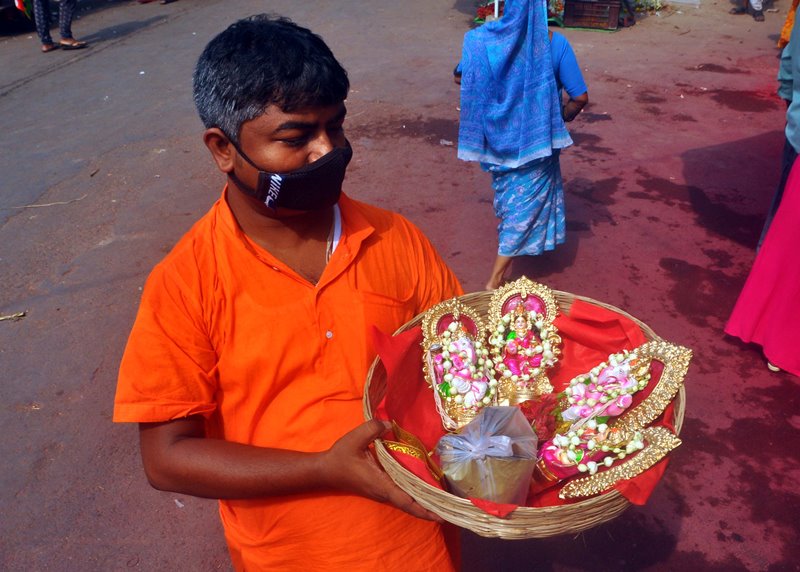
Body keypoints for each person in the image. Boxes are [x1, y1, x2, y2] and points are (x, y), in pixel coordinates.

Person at [113, 15, 463, 571]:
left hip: (418, 546)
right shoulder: (184, 282)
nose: (326, 152)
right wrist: (324, 467)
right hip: (284, 554)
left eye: (336, 127)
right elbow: (167, 459)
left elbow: (464, 364)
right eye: (296, 137)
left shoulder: (397, 239)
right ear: (223, 149)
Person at [455, 1, 587, 290]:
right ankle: (495, 280)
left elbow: (459, 76)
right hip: (536, 146)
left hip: (496, 141)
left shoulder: (480, 41)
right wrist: (555, 119)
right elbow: (580, 97)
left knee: (512, 204)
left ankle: (503, 267)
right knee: (521, 212)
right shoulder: (555, 44)